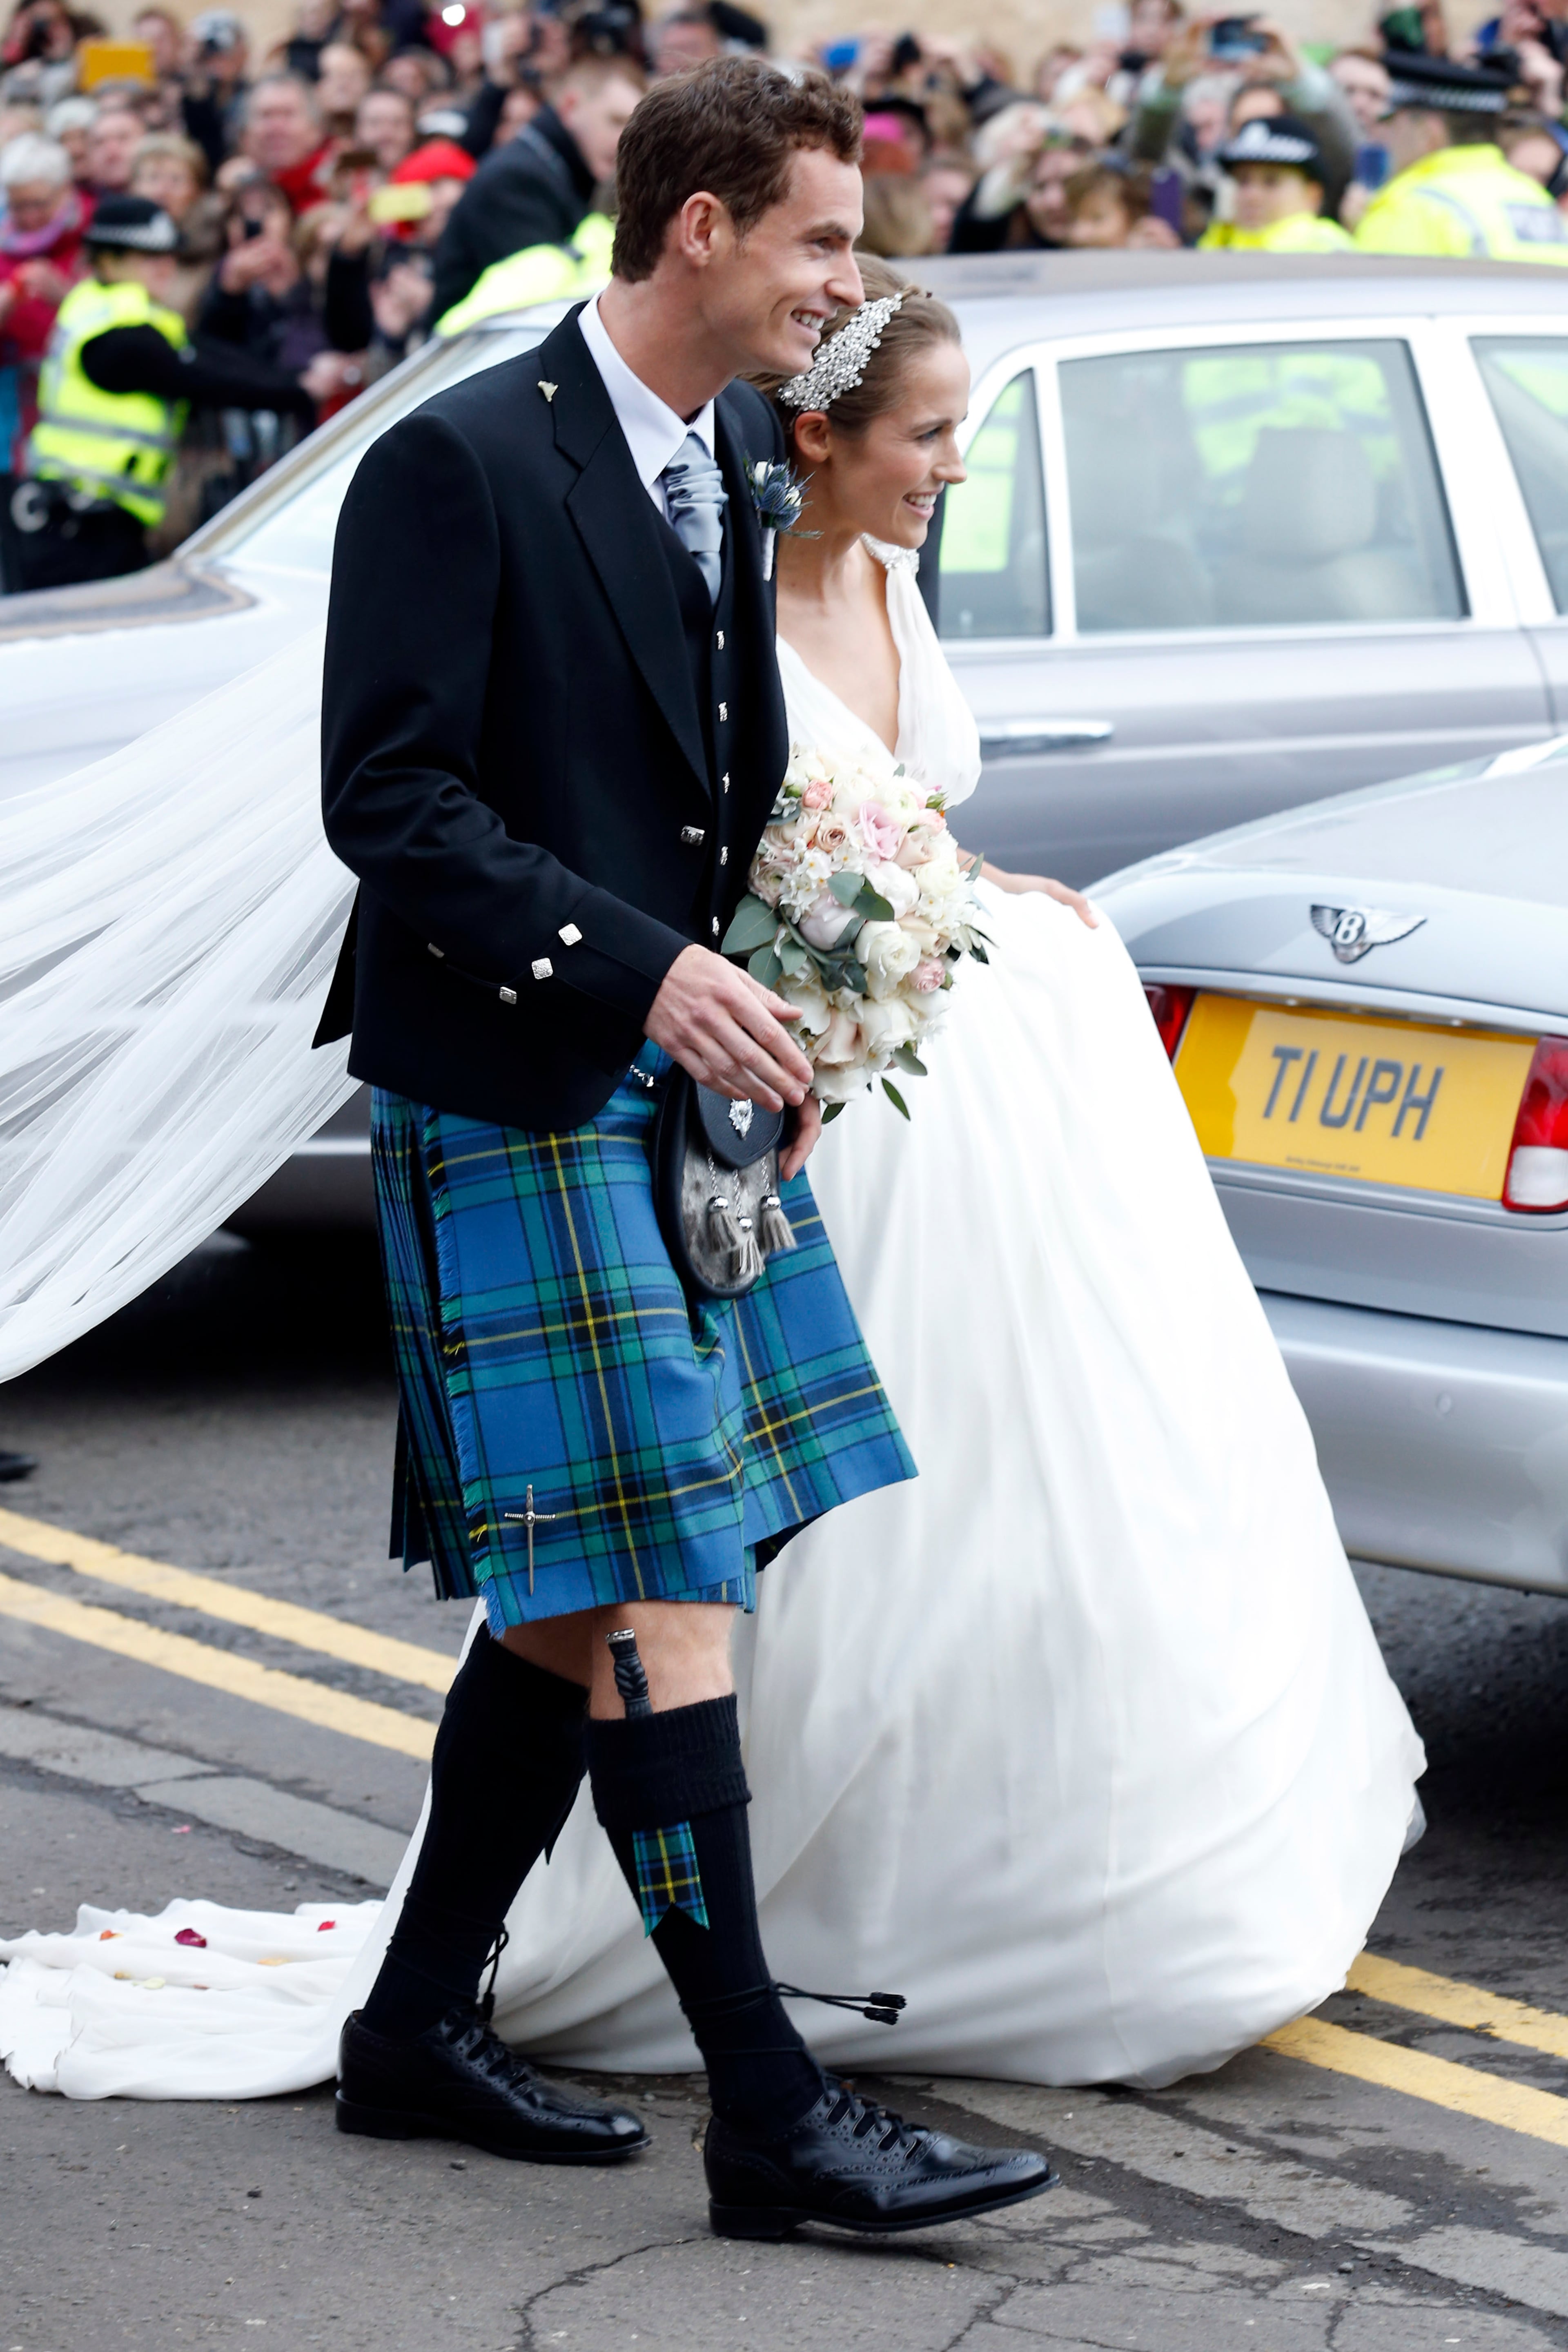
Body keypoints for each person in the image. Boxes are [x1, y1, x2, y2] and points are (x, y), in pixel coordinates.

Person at [314, 56, 1054, 2241]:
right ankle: (771, 2105)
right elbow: (394, 804)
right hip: (520, 1074)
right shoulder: (460, 458)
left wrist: (786, 991)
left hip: (672, 1070)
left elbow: (712, 772)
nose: (849, 278)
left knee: (630, 1563)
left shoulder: (731, 452)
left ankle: (416, 2017)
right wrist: (642, 971)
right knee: (664, 1560)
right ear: (706, 227)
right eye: (824, 237)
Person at [12, 193, 325, 589]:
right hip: (81, 524)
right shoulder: (118, 332)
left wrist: (296, 378)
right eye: (148, 256)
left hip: (96, 518)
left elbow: (204, 353)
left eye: (170, 255)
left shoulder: (116, 308)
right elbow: (198, 375)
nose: (166, 266)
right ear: (108, 261)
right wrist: (300, 387)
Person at [429, 51, 643, 324]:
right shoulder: (516, 180)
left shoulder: (553, 169)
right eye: (615, 121)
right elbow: (539, 309)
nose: (623, 141)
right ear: (570, 105)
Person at [1354, 50, 1568, 258]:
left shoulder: (1409, 211)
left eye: (1392, 123)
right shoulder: (1536, 201)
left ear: (1427, 133)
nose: (1384, 136)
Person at [1199, 114, 1354, 248]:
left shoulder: (1325, 245)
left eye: (1271, 182)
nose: (1252, 196)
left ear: (1313, 195)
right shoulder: (1218, 242)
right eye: (1243, 181)